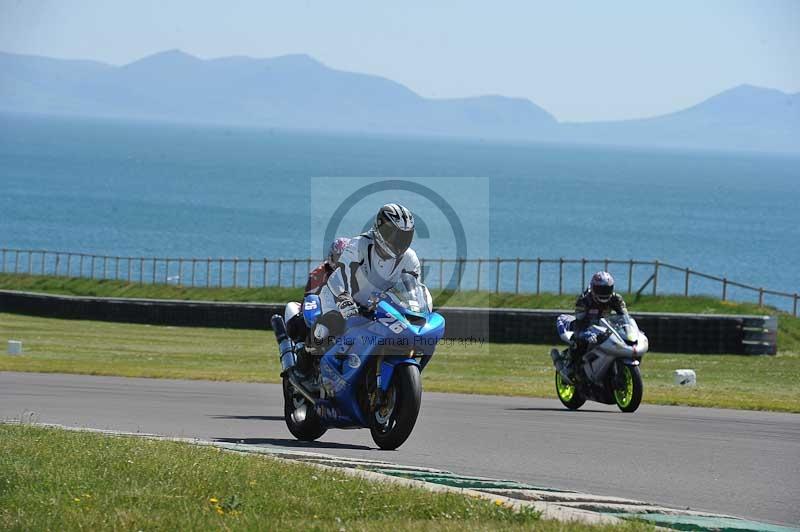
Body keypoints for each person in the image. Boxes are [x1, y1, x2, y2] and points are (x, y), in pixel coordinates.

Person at [285, 204, 419, 375]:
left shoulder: (410, 259)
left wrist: (415, 307)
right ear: (379, 227)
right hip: (339, 298)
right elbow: (339, 278)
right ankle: (304, 363)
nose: (398, 241)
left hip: (378, 308)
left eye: (403, 236)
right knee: (330, 326)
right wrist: (344, 300)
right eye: (393, 234)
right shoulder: (359, 245)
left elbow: (412, 289)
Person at [559, 271, 629, 380]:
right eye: (600, 289)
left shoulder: (616, 299)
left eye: (607, 289)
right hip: (587, 327)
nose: (604, 292)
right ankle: (570, 368)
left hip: (606, 327)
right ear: (593, 287)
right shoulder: (584, 300)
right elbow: (579, 322)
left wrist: (628, 328)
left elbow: (625, 317)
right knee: (579, 341)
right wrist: (585, 333)